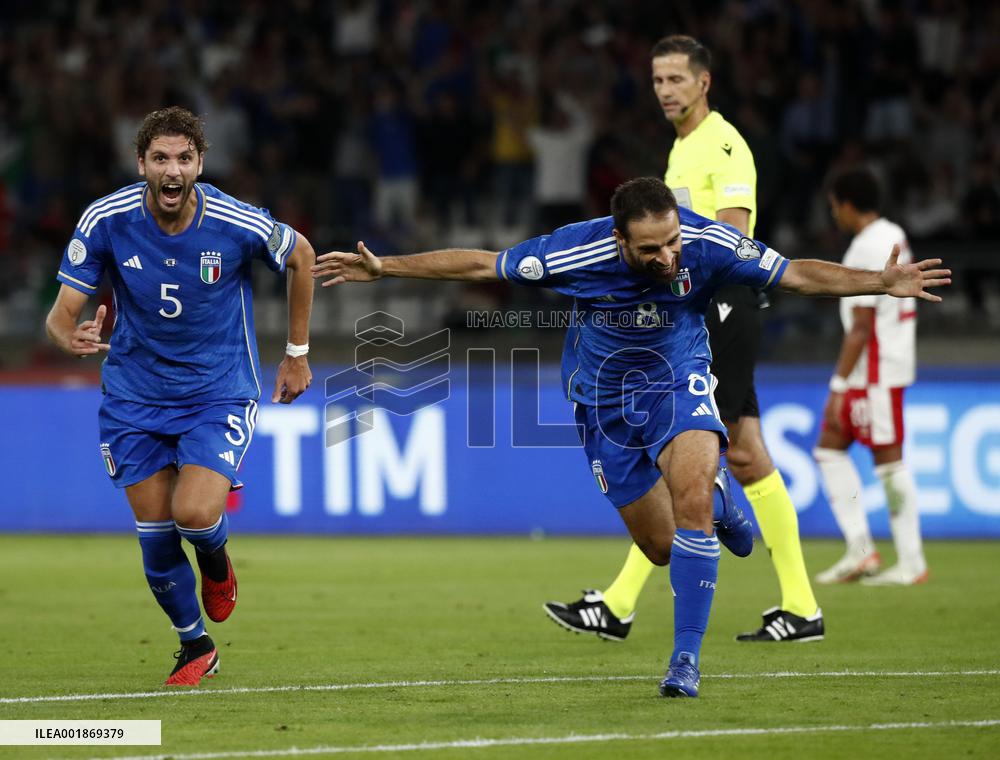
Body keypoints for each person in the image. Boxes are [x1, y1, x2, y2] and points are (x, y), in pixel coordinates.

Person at [312, 177, 948, 697]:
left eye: (672, 241)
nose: (668, 258)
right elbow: (482, 262)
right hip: (603, 406)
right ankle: (724, 501)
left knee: (691, 498)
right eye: (650, 250)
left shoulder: (706, 243)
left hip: (680, 382)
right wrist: (385, 267)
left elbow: (797, 275)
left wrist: (879, 283)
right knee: (664, 544)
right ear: (619, 240)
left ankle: (684, 662)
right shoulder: (574, 253)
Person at [546, 34, 825, 644]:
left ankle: (622, 603)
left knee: (703, 457)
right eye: (656, 80)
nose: (665, 90)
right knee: (741, 450)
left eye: (676, 79)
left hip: (717, 308)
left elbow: (728, 238)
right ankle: (798, 605)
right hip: (695, 311)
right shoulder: (681, 151)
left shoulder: (723, 145)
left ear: (704, 82)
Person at [45, 106, 315, 686]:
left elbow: (302, 256)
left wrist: (297, 351)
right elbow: (61, 314)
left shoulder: (232, 220)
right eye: (161, 158)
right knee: (155, 534)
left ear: (200, 163)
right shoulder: (106, 219)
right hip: (133, 395)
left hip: (216, 391)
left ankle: (216, 558)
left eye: (184, 158)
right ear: (141, 163)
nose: (173, 169)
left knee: (192, 513)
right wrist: (71, 334)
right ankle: (195, 645)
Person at [814, 167, 928, 586]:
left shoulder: (865, 246)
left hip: (874, 372)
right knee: (829, 447)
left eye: (833, 206)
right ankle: (861, 551)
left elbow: (861, 325)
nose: (833, 215)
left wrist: (838, 385)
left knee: (889, 462)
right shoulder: (893, 232)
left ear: (845, 203)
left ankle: (910, 561)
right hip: (886, 366)